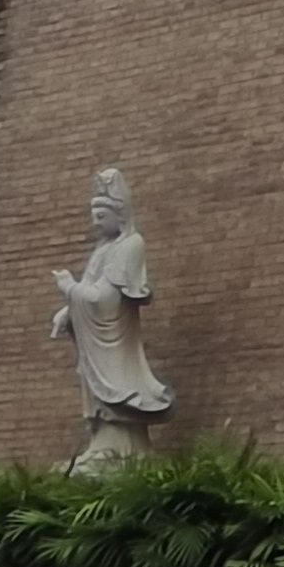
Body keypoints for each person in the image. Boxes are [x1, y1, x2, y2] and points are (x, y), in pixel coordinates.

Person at [51, 168, 176, 475]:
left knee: (117, 385)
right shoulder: (103, 248)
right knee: (92, 383)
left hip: (113, 335)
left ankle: (120, 450)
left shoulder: (130, 245)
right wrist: (68, 311)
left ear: (119, 215)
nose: (95, 222)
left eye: (101, 215)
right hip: (94, 338)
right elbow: (90, 290)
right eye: (93, 215)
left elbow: (103, 300)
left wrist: (69, 287)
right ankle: (101, 445)